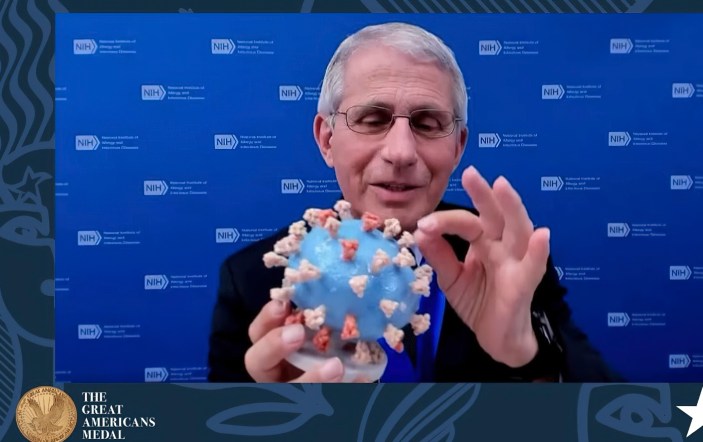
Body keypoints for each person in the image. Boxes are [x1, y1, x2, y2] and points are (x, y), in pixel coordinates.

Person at [207, 22, 624, 383]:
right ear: (327, 139)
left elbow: (626, 414)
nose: (402, 151)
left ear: (458, 147)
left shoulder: (503, 260)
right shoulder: (256, 283)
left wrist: (529, 357)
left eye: (428, 123)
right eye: (372, 119)